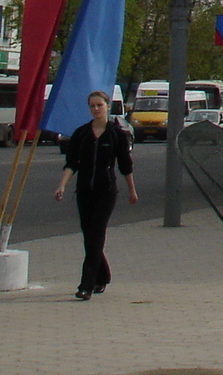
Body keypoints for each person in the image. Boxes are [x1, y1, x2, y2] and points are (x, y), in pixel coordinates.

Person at [54, 90, 137, 301]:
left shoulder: (116, 134)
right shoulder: (81, 134)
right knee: (89, 237)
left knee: (96, 234)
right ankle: (104, 275)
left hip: (106, 191)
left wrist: (132, 190)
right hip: (84, 191)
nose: (95, 109)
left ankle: (86, 285)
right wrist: (62, 185)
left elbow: (125, 165)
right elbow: (72, 164)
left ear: (107, 106)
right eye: (92, 106)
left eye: (99, 105)